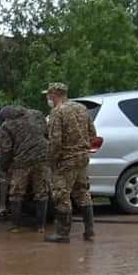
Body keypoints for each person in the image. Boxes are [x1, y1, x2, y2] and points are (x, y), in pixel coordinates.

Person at [44, 82, 96, 243]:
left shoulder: (57, 112)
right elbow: (92, 133)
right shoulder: (81, 108)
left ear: (54, 94)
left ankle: (62, 234)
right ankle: (89, 231)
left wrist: (52, 161)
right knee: (82, 192)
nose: (48, 98)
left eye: (49, 95)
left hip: (66, 160)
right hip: (82, 158)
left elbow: (55, 141)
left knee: (61, 195)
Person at [0, 105, 51, 233]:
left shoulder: (6, 125)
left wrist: (4, 166)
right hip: (42, 157)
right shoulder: (37, 114)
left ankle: (15, 226)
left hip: (21, 161)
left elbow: (6, 149)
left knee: (16, 193)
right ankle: (40, 226)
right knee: (41, 191)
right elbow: (47, 133)